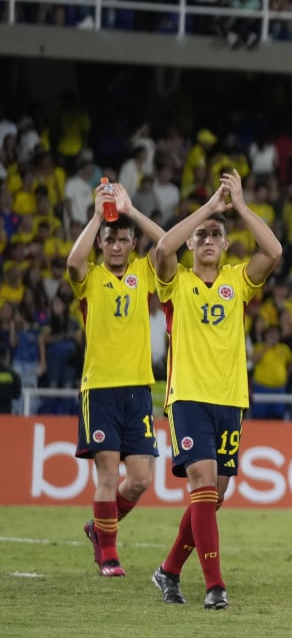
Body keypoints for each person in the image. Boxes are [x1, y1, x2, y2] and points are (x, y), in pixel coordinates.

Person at [150, 173, 282, 609]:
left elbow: (274, 251)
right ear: (192, 244)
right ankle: (214, 586)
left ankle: (169, 570)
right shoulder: (177, 282)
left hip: (230, 399)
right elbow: (162, 249)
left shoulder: (237, 281)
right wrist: (209, 208)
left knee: (215, 495)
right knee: (204, 485)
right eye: (201, 236)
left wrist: (240, 207)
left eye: (216, 236)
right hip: (187, 397)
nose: (207, 239)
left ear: (226, 246)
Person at [67, 181, 164, 577]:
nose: (117, 245)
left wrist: (132, 210)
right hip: (101, 388)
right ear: (102, 244)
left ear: (132, 244)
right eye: (110, 240)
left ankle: (99, 529)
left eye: (124, 239)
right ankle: (109, 555)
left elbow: (170, 245)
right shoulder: (89, 278)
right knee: (108, 474)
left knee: (140, 479)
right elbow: (73, 263)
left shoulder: (144, 273)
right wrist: (97, 216)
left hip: (138, 388)